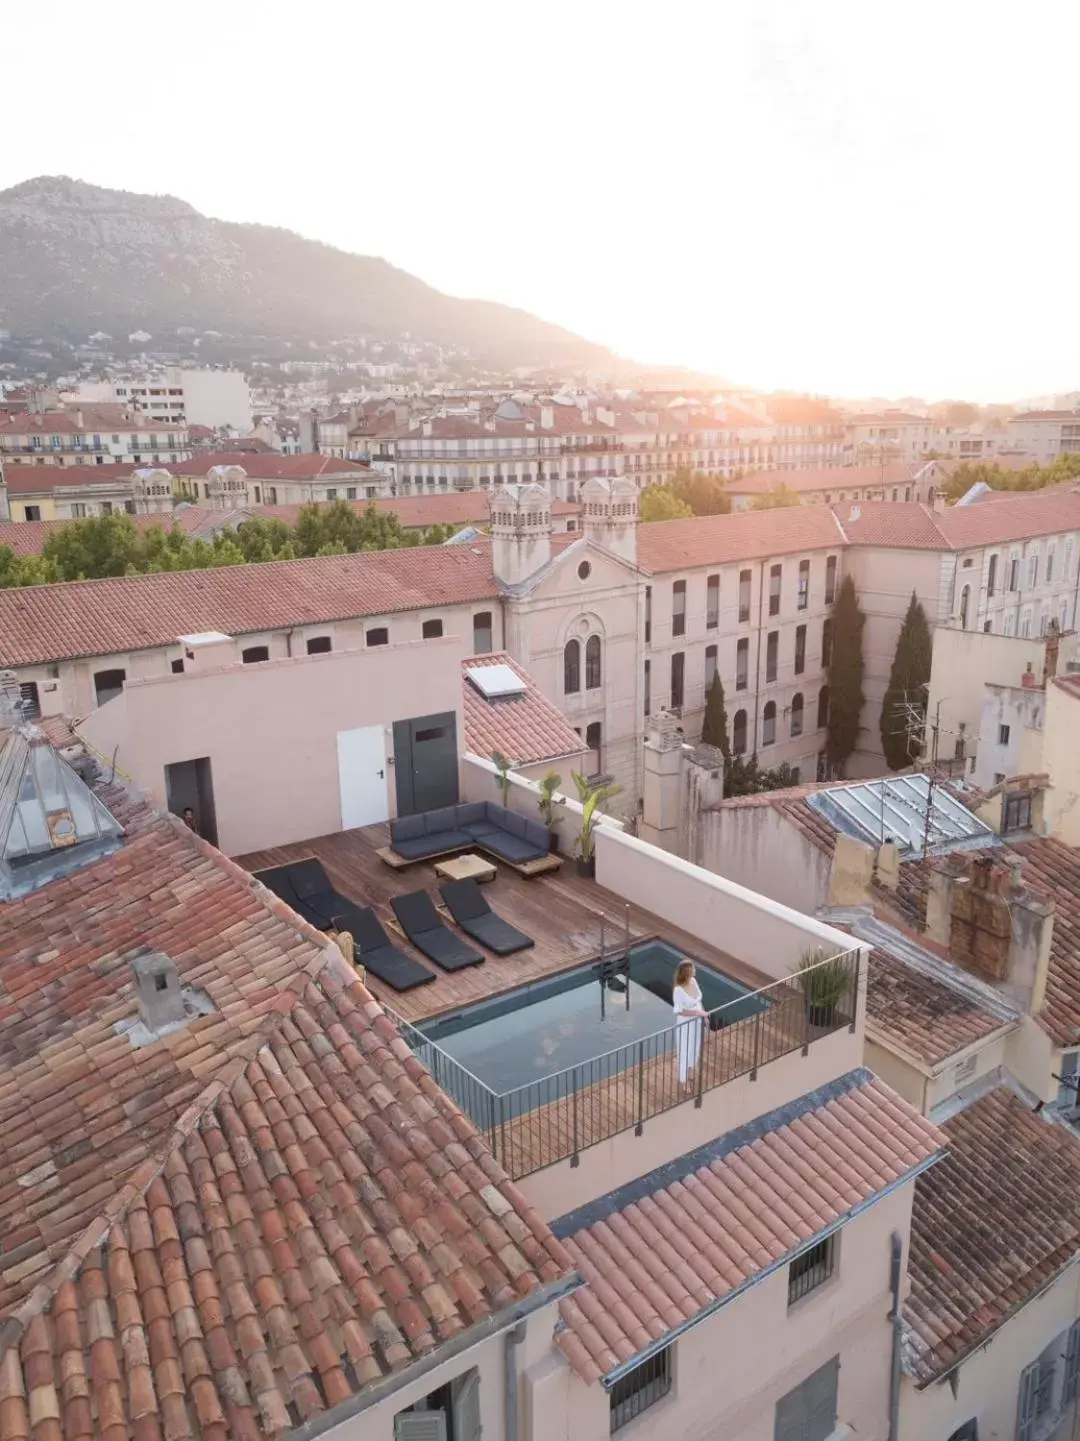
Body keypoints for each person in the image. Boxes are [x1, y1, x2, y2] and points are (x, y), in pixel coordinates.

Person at [673, 958, 708, 1094]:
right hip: (685, 1024)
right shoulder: (678, 990)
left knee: (694, 1047)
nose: (695, 970)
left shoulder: (693, 981)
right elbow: (680, 1011)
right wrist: (698, 1013)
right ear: (687, 972)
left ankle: (690, 1070)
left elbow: (698, 1001)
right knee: (685, 1050)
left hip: (697, 1021)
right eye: (693, 968)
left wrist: (703, 1015)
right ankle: (684, 1080)